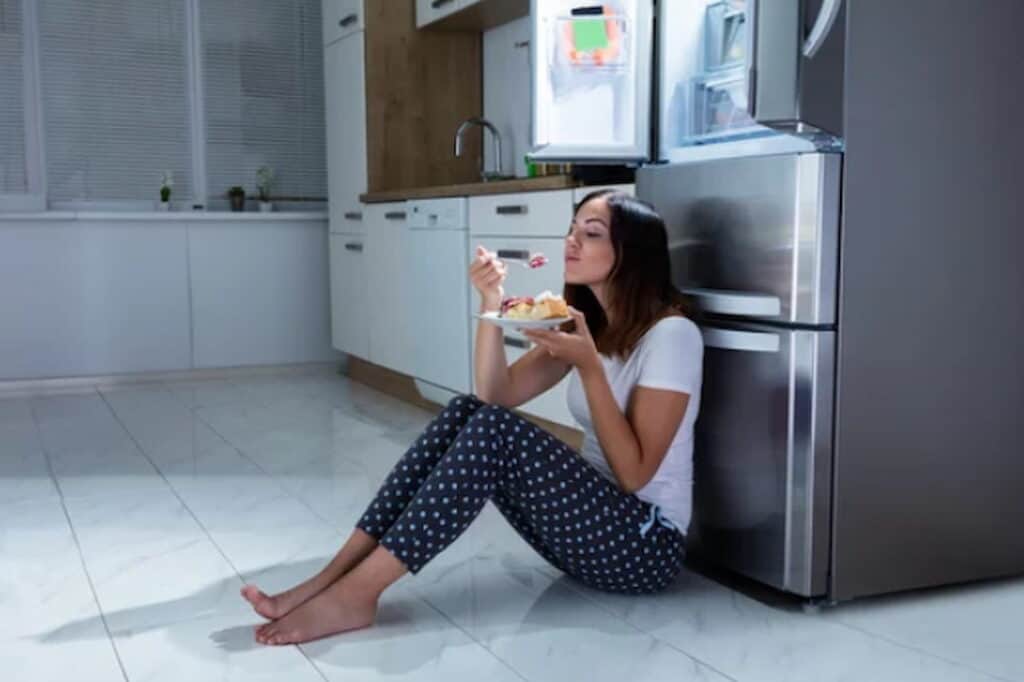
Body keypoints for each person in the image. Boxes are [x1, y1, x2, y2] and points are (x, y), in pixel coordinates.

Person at [241, 189, 704, 645]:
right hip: (592, 532)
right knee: (469, 410)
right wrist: (490, 301)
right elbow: (494, 394)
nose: (571, 241)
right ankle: (329, 580)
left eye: (592, 232)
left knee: (496, 432)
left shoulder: (672, 336)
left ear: (632, 253)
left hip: (645, 547)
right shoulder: (587, 326)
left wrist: (588, 368)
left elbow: (634, 474)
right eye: (571, 228)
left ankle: (358, 594)